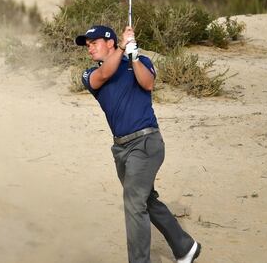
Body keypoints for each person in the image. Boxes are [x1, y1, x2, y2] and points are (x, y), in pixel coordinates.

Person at [76, 24, 201, 263]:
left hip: (146, 142)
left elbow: (148, 83)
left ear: (110, 42)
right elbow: (103, 75)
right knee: (146, 200)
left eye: (94, 43)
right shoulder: (90, 74)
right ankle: (185, 247)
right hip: (121, 149)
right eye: (87, 45)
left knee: (134, 203)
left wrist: (133, 57)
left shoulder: (139, 61)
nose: (89, 48)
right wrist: (123, 49)